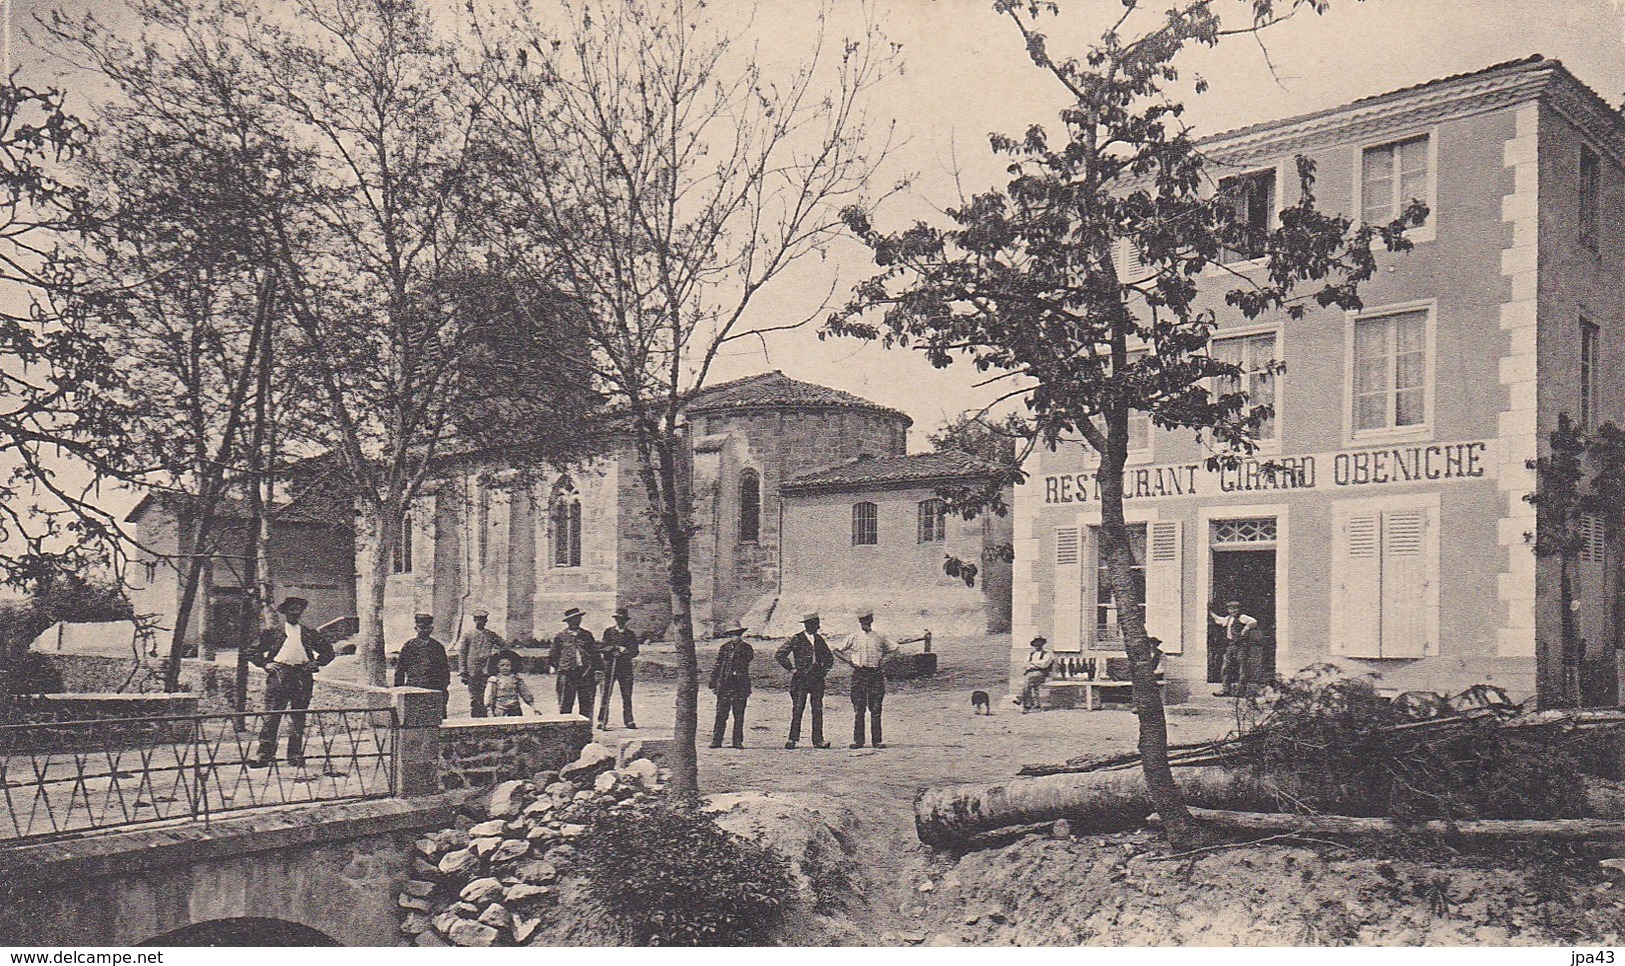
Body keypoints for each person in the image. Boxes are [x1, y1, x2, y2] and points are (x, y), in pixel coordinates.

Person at [249, 596, 335, 768]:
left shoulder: (308, 633)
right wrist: (265, 664)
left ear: (301, 612)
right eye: (291, 610)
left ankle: (295, 755)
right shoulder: (273, 632)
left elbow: (328, 652)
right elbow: (252, 651)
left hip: (302, 676)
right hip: (280, 676)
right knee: (271, 716)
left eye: (298, 610)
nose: (295, 613)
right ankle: (264, 755)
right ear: (285, 612)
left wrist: (316, 663)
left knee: (298, 717)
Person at [833, 608, 895, 749]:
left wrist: (884, 661)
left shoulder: (880, 636)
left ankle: (877, 741)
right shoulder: (853, 637)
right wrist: (849, 661)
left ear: (871, 620)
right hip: (859, 674)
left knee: (876, 708)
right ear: (859, 622)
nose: (864, 623)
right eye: (861, 621)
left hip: (875, 674)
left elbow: (895, 649)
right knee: (859, 709)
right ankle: (858, 741)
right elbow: (836, 649)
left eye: (867, 620)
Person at [775, 611, 833, 749]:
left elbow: (829, 658)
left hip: (817, 680)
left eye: (815, 624)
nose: (814, 627)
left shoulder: (819, 640)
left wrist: (823, 671)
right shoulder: (796, 638)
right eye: (811, 624)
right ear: (806, 625)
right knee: (798, 708)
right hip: (800, 680)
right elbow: (780, 654)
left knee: (817, 709)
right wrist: (792, 669)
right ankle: (792, 739)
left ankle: (818, 740)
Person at [395, 613, 452, 716]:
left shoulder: (438, 647)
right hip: (414, 687)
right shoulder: (409, 646)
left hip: (434, 688)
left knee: (435, 718)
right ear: (415, 628)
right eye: (421, 627)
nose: (424, 630)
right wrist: (399, 690)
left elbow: (445, 670)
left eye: (427, 628)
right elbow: (400, 669)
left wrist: (443, 688)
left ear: (431, 629)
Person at [550, 607, 601, 719]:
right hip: (567, 674)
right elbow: (553, 655)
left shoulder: (587, 635)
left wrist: (597, 671)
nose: (576, 621)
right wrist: (561, 668)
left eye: (578, 619)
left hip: (585, 674)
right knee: (565, 704)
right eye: (573, 619)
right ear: (568, 621)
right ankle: (565, 733)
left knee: (586, 704)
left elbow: (595, 654)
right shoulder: (560, 636)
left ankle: (585, 732)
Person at [708, 624, 753, 749]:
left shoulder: (746, 648)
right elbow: (718, 665)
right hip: (724, 685)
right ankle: (717, 740)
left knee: (738, 715)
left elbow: (746, 661)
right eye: (733, 635)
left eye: (737, 635)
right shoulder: (724, 648)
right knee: (721, 714)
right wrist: (713, 682)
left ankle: (737, 741)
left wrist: (736, 670)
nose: (735, 638)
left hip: (740, 685)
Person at [597, 607, 641, 730]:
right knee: (606, 695)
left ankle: (629, 720)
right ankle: (602, 720)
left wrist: (625, 652)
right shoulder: (608, 632)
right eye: (617, 619)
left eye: (622, 619)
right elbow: (602, 647)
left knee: (627, 696)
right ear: (615, 619)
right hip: (610, 668)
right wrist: (615, 649)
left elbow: (635, 651)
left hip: (625, 668)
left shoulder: (630, 634)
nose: (619, 621)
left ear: (625, 621)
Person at [458, 607, 504, 718]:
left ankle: (486, 718)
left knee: (488, 695)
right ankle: (475, 718)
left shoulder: (491, 635)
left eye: (482, 619)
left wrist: (494, 655)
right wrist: (463, 672)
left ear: (486, 621)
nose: (480, 622)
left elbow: (503, 645)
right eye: (477, 619)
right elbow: (462, 654)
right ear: (474, 620)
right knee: (475, 697)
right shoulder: (468, 635)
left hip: (487, 671)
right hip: (472, 671)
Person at [1211, 600, 1260, 697]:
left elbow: (1253, 621)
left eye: (1235, 608)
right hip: (1231, 645)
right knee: (1226, 667)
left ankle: (1241, 691)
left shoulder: (1242, 618)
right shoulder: (1228, 619)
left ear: (1239, 609)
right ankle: (1226, 689)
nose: (1233, 611)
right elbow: (1219, 620)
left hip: (1241, 645)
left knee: (1243, 668)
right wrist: (1210, 613)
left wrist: (1246, 629)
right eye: (1230, 609)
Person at [483, 649, 535, 717]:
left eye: (507, 665)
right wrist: (489, 709)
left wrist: (533, 707)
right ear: (497, 666)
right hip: (500, 710)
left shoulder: (516, 679)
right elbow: (489, 695)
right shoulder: (494, 680)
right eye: (502, 665)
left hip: (515, 709)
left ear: (511, 666)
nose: (505, 668)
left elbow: (525, 693)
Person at [1021, 636, 1054, 713]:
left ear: (1042, 644)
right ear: (1034, 644)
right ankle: (1034, 705)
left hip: (1041, 674)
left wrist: (1032, 663)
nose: (1038, 644)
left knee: (1028, 682)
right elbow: (1024, 665)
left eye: (1040, 642)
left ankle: (1025, 704)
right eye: (1036, 642)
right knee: (1028, 684)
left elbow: (1044, 665)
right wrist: (1036, 664)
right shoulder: (1031, 654)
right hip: (1030, 674)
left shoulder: (1046, 655)